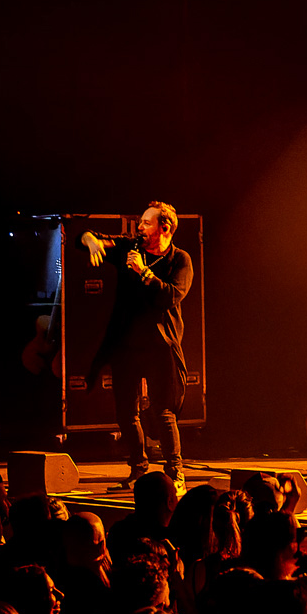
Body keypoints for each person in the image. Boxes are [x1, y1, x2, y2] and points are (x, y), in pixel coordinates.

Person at [81, 202, 194, 489]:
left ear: (164, 228)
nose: (139, 227)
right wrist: (92, 242)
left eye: (146, 223)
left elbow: (170, 296)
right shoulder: (130, 247)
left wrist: (143, 272)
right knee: (125, 412)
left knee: (163, 411)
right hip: (126, 347)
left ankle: (174, 473)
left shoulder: (180, 260)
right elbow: (86, 238)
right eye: (140, 222)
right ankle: (138, 469)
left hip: (160, 345)